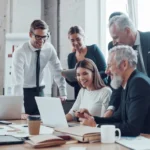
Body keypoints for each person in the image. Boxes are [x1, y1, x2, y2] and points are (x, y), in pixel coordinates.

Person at [76, 45, 150, 136]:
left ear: (124, 64)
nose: (106, 71)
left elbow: (132, 128)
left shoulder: (138, 83)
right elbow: (117, 118)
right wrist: (92, 119)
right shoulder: (127, 83)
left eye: (109, 66)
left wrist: (96, 126)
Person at [12, 19, 67, 116]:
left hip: (41, 91)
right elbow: (18, 83)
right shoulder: (20, 52)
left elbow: (57, 70)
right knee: (24, 125)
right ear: (30, 35)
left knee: (43, 123)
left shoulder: (49, 48)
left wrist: (63, 93)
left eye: (44, 37)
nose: (41, 41)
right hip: (25, 93)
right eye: (38, 37)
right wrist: (20, 110)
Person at [104, 14, 150, 117]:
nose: (114, 42)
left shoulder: (149, 39)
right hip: (131, 100)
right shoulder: (113, 46)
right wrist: (111, 108)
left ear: (128, 31)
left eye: (116, 37)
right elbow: (117, 78)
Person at [67, 26, 107, 99]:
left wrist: (90, 78)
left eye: (78, 39)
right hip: (82, 93)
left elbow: (105, 71)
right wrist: (67, 77)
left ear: (83, 37)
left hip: (98, 90)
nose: (75, 42)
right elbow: (74, 82)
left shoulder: (93, 49)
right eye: (72, 40)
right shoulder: (71, 57)